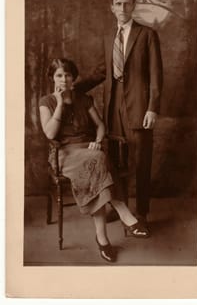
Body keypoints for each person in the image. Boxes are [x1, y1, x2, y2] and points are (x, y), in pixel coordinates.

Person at [39, 58, 149, 263]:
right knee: (99, 160)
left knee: (97, 159)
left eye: (68, 75)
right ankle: (125, 214)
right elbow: (50, 133)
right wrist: (61, 103)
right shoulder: (47, 102)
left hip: (90, 153)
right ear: (52, 78)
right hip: (64, 155)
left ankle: (103, 239)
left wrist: (98, 141)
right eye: (59, 75)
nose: (64, 79)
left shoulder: (83, 99)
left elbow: (100, 126)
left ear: (74, 77)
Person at [74, 0, 163, 227]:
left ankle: (141, 214)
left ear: (133, 6)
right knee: (115, 162)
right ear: (111, 7)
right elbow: (101, 72)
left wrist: (152, 108)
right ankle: (121, 208)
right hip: (113, 109)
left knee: (141, 162)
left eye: (126, 4)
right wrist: (74, 89)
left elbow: (156, 75)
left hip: (139, 107)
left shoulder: (147, 35)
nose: (122, 8)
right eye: (118, 4)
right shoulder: (108, 37)